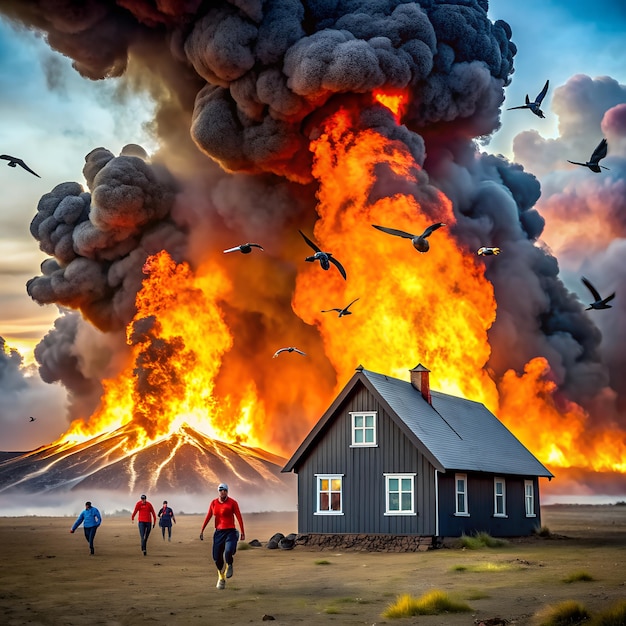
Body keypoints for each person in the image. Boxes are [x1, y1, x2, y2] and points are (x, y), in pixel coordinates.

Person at [200, 483, 245, 589]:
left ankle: (230, 564)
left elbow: (239, 517)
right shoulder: (214, 503)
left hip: (230, 532)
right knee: (216, 558)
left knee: (228, 551)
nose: (223, 492)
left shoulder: (233, 503)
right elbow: (208, 516)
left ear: (227, 491)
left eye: (225, 490)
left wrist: (242, 532)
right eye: (221, 490)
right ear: (218, 491)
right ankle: (221, 577)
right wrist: (202, 530)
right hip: (218, 532)